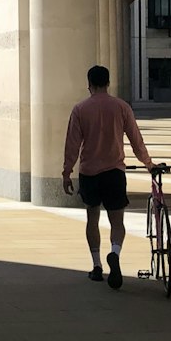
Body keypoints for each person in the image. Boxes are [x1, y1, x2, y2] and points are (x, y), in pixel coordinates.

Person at [62, 64, 155, 290]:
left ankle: (96, 266)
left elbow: (72, 145)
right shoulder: (121, 107)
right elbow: (135, 139)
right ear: (108, 83)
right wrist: (148, 163)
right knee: (117, 220)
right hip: (114, 171)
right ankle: (114, 252)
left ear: (89, 85)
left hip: (89, 172)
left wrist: (67, 172)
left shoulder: (80, 109)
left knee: (92, 218)